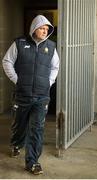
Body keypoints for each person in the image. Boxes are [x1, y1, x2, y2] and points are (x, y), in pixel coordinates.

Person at [2, 15, 59, 175]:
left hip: (42, 96)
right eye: (42, 28)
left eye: (47, 29)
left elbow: (55, 67)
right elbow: (7, 61)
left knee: (37, 129)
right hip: (22, 94)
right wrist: (17, 79)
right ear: (34, 28)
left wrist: (49, 82)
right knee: (19, 124)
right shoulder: (19, 43)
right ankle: (16, 144)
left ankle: (33, 163)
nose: (44, 31)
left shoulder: (51, 47)